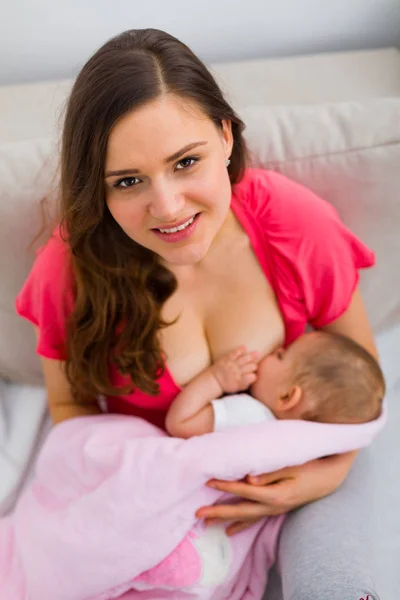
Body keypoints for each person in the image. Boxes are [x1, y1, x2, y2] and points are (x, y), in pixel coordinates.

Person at [15, 28, 381, 600]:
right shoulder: (71, 267)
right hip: (150, 506)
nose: (167, 207)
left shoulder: (294, 224)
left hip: (298, 487)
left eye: (186, 162)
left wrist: (326, 474)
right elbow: (71, 410)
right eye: (129, 181)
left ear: (225, 136)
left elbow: (363, 382)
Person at [165, 331, 385, 438]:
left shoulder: (249, 415)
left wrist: (216, 379)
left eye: (282, 356)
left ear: (286, 398)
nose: (278, 349)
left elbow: (179, 423)